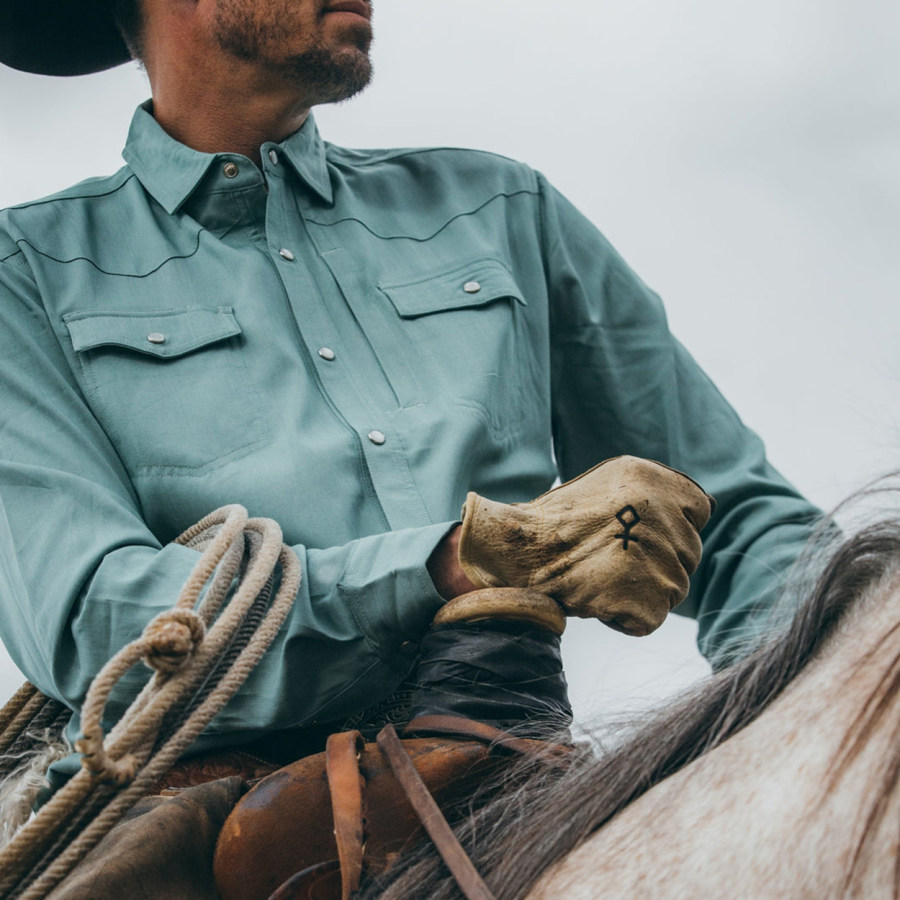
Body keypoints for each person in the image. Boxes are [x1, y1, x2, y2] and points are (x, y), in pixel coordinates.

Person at [0, 0, 821, 787]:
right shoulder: (23, 276)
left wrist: (823, 700)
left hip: (513, 768)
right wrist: (459, 561)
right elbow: (96, 628)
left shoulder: (501, 209)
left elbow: (745, 523)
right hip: (186, 820)